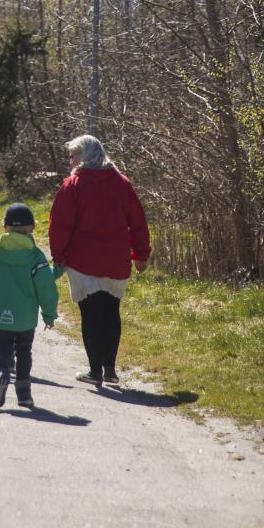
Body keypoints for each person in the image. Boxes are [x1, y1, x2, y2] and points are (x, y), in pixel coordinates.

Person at [48, 133, 150, 387]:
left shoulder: (73, 185)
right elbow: (137, 221)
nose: (71, 161)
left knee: (90, 315)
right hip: (116, 261)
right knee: (111, 312)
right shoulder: (122, 183)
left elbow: (59, 225)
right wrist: (141, 254)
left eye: (74, 155)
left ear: (85, 156)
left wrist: (58, 256)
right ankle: (110, 370)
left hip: (84, 262)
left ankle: (94, 371)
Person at [0, 203, 59, 409]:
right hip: (25, 316)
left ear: (5, 227)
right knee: (24, 351)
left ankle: (1, 372)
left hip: (0, 310)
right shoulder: (35, 256)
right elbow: (46, 287)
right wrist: (49, 314)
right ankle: (24, 394)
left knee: (1, 347)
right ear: (32, 227)